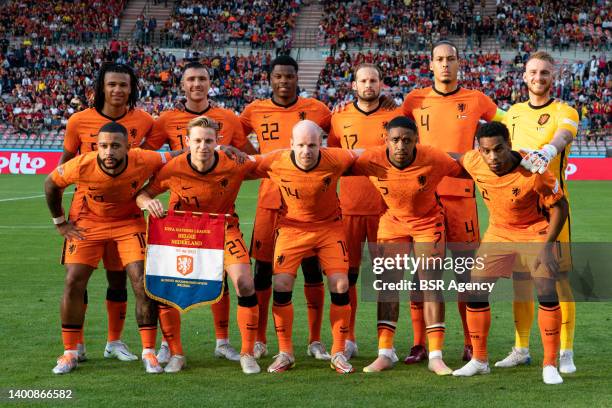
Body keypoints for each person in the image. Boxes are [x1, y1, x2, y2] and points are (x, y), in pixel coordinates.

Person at [144, 61, 257, 364]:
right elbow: (147, 156)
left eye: (202, 79)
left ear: (210, 83)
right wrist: (149, 194)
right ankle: (170, 347)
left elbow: (254, 159)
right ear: (182, 84)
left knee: (231, 280)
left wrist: (233, 153)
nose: (196, 84)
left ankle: (226, 343)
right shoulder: (166, 120)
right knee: (169, 286)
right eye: (190, 79)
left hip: (221, 222)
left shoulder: (228, 119)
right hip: (179, 224)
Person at [401, 40, 506, 364]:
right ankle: (420, 343)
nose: (445, 64)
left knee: (465, 274)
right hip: (423, 199)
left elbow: (507, 123)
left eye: (451, 59)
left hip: (461, 198)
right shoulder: (413, 100)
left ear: (459, 63)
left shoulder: (476, 100)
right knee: (422, 275)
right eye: (439, 59)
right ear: (430, 64)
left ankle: (472, 343)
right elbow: (394, 132)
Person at [45, 122, 175, 374]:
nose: (108, 152)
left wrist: (222, 149)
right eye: (103, 146)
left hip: (128, 223)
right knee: (73, 281)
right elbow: (51, 184)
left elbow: (177, 155)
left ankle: (148, 352)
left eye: (115, 146)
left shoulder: (144, 158)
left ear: (128, 147)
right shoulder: (82, 163)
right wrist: (60, 222)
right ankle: (70, 352)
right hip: (88, 223)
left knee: (141, 281)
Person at [452, 121, 569, 385]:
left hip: (534, 231)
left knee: (545, 288)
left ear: (509, 145)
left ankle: (550, 364)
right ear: (479, 150)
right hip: (498, 233)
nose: (492, 157)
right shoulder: (474, 161)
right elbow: (456, 159)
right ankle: (480, 361)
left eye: (498, 149)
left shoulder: (534, 169)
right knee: (475, 290)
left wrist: (548, 246)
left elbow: (560, 207)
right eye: (486, 151)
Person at [350, 116, 463, 375]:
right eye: (395, 140)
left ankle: (436, 355)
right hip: (392, 222)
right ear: (386, 140)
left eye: (407, 140)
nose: (401, 145)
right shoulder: (371, 158)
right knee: (388, 285)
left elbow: (465, 165)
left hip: (428, 222)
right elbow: (338, 160)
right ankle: (385, 352)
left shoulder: (434, 157)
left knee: (430, 283)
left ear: (417, 141)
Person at [60, 63, 155, 363]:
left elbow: (151, 164)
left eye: (123, 85)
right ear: (102, 86)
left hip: (127, 215)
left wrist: (142, 193)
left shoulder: (144, 121)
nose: (117, 90)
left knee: (121, 280)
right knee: (77, 278)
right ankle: (75, 347)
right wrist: (62, 219)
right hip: (87, 214)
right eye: (111, 84)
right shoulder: (78, 121)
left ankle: (114, 342)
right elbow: (62, 169)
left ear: (132, 88)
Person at [240, 55, 333, 360]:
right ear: (270, 79)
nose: (283, 81)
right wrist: (257, 161)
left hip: (308, 203)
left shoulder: (318, 110)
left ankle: (316, 340)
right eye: (278, 77)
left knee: (311, 270)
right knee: (263, 271)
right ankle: (260, 338)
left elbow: (341, 132)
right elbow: (234, 136)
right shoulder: (254, 110)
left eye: (289, 76)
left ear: (297, 78)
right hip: (270, 202)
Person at [498, 50, 580, 374]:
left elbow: (565, 135)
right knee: (520, 279)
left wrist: (548, 150)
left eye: (544, 73)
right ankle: (521, 348)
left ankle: (566, 351)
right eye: (533, 72)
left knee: (557, 279)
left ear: (552, 76)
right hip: (518, 210)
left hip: (551, 209)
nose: (538, 78)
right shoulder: (512, 114)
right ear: (524, 76)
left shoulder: (565, 110)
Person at [255, 120, 356, 374]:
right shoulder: (276, 160)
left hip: (329, 228)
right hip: (291, 228)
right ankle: (285, 352)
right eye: (300, 145)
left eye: (312, 145)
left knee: (341, 284)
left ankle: (338, 352)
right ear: (291, 144)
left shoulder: (336, 159)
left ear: (321, 144)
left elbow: (363, 155)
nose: (306, 151)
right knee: (280, 284)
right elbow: (246, 164)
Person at [327, 63, 403, 359]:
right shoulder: (339, 117)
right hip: (349, 209)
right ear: (354, 86)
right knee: (347, 277)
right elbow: (334, 158)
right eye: (363, 80)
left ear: (381, 84)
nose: (368, 84)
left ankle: (387, 344)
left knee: (388, 279)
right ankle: (348, 339)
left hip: (387, 211)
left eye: (373, 80)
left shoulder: (395, 117)